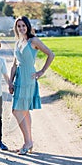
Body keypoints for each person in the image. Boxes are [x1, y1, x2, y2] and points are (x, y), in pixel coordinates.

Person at [9, 16, 55, 155]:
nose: (21, 28)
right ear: (16, 28)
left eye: (24, 25)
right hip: (18, 79)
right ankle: (28, 142)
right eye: (19, 26)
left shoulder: (33, 40)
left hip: (29, 78)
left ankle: (28, 142)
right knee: (23, 111)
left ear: (28, 26)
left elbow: (51, 54)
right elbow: (14, 65)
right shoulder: (18, 43)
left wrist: (41, 71)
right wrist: (10, 82)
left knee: (17, 111)